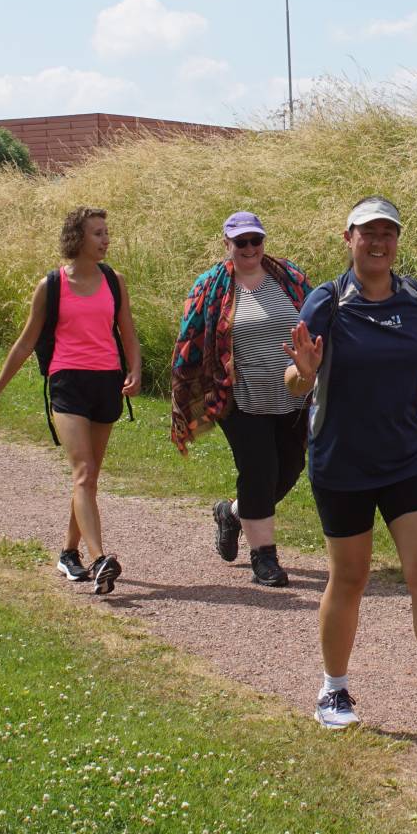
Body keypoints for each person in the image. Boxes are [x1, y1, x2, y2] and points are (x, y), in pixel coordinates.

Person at [284, 196, 417, 740]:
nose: (378, 243)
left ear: (397, 241)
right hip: (341, 461)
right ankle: (333, 690)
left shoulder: (415, 298)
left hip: (406, 459)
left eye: (387, 234)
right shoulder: (327, 302)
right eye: (368, 233)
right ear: (348, 238)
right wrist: (304, 373)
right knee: (349, 578)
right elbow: (295, 381)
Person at [0, 207, 141, 595]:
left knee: (89, 477)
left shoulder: (114, 280)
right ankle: (100, 559)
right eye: (97, 233)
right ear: (77, 238)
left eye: (106, 232)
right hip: (67, 382)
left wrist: (135, 371)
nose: (105, 239)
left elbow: (128, 332)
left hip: (107, 381)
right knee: (83, 472)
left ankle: (69, 553)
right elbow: (25, 342)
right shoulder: (52, 285)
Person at [170, 211, 311, 588]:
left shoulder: (290, 278)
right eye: (241, 242)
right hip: (239, 396)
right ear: (227, 243)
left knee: (291, 466)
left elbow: (314, 323)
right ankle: (264, 557)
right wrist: (191, 386)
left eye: (255, 240)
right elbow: (191, 338)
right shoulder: (210, 286)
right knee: (259, 468)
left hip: (293, 393)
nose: (250, 248)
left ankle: (231, 514)